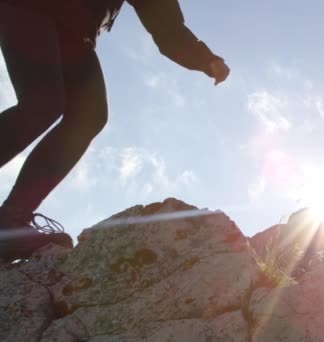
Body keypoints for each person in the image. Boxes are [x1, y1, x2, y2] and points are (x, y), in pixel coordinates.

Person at [0, 0, 230, 261]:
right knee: (42, 103)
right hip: (31, 8)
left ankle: (10, 222)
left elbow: (166, 26)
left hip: (75, 35)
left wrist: (205, 59)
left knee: (89, 116)